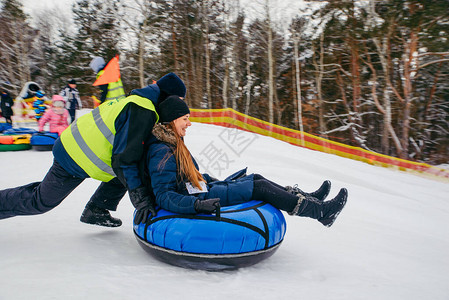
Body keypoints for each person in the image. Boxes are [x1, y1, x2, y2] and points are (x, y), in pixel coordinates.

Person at [0, 73, 187, 228]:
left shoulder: (139, 101)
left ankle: (97, 209)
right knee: (40, 201)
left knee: (132, 170)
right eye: (178, 100)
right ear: (167, 95)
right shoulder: (142, 109)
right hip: (73, 155)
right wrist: (142, 201)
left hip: (80, 151)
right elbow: (124, 160)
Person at [144, 96, 348, 227]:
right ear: (171, 121)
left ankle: (309, 198)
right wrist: (197, 205)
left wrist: (208, 178)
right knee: (259, 187)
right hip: (201, 198)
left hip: (203, 188)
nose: (190, 123)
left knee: (255, 178)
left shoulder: (173, 144)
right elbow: (164, 195)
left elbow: (186, 177)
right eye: (185, 119)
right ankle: (321, 213)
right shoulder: (161, 152)